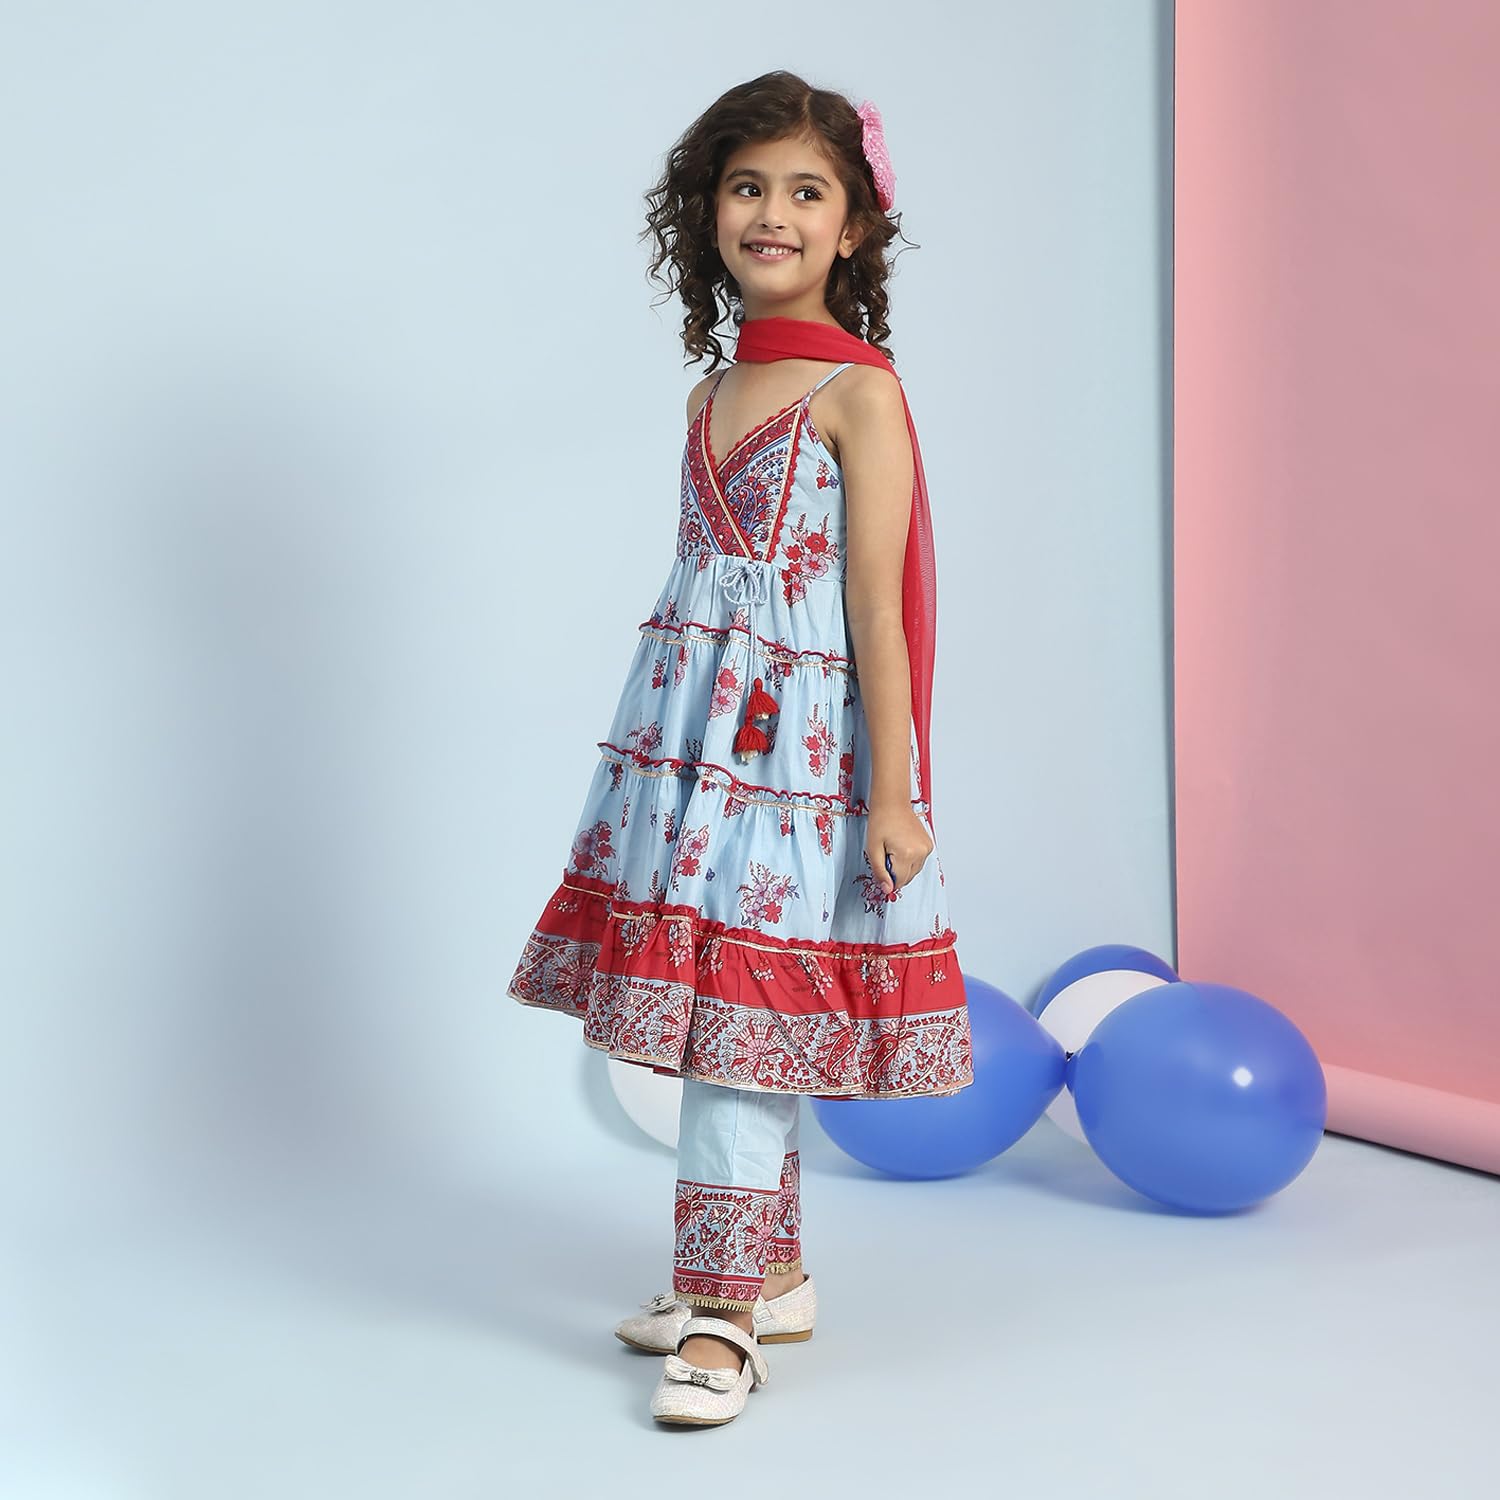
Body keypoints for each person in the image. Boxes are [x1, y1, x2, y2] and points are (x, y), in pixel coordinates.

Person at [506, 69, 973, 1427]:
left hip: (793, 762)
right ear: (707, 210)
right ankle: (771, 1276)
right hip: (687, 748)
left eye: (806, 191)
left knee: (744, 1016)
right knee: (724, 1006)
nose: (773, 212)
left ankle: (718, 1318)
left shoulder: (858, 393)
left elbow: (878, 607)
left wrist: (894, 793)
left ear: (854, 227)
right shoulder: (713, 390)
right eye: (747, 186)